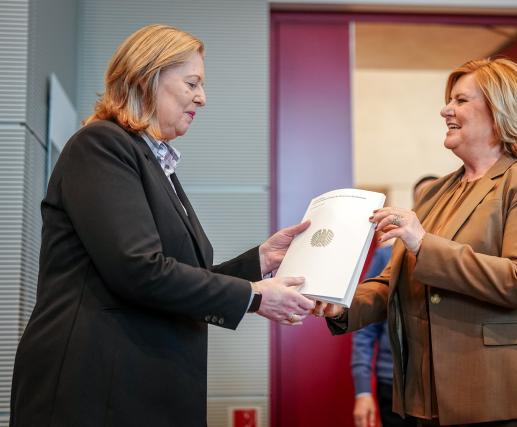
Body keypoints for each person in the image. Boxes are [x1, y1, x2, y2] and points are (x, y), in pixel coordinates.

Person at [10, 24, 315, 427]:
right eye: (192, 83)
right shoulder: (101, 145)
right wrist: (254, 296)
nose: (202, 98)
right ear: (146, 76)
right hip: (95, 391)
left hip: (140, 389)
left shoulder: (154, 163)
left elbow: (181, 277)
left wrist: (258, 262)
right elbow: (138, 269)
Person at [319, 58, 517, 426]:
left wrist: (423, 243)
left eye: (460, 101)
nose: (445, 110)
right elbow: (393, 281)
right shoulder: (437, 192)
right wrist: (340, 305)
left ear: (500, 110)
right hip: (429, 401)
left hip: (507, 398)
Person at [352, 176, 438, 427]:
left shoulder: (459, 258)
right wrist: (363, 391)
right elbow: (365, 331)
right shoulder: (387, 255)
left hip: (444, 385)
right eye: (423, 200)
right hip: (394, 383)